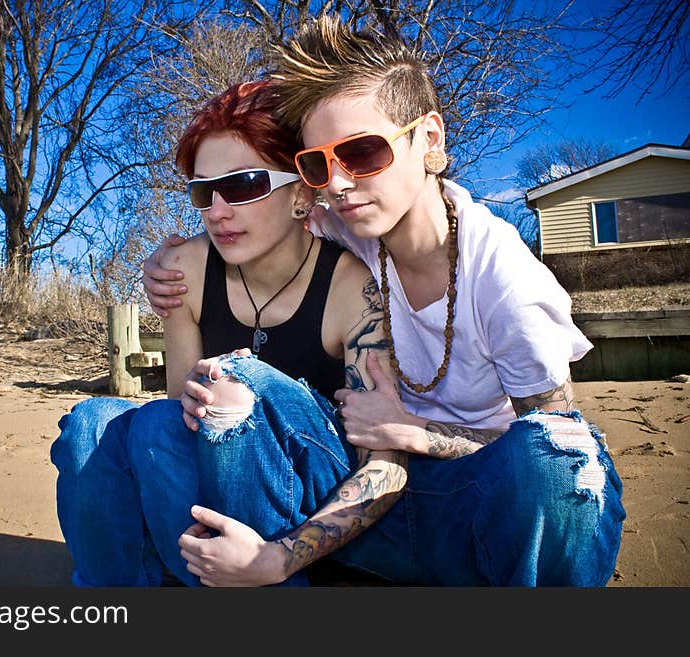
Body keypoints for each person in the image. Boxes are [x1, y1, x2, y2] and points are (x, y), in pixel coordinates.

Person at [142, 16, 626, 586]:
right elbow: (255, 217)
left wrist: (416, 431)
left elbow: (550, 447)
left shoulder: (509, 285)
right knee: (231, 387)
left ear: (431, 141)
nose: (339, 183)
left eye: (364, 153)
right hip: (373, 508)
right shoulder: (347, 227)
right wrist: (166, 262)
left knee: (558, 462)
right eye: (319, 162)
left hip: (476, 508)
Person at [50, 79, 407, 587]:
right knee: (91, 424)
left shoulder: (351, 287)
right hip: (211, 470)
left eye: (243, 185)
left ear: (302, 191)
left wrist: (283, 555)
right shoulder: (185, 269)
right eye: (203, 191)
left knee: (233, 384)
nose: (217, 211)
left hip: (309, 497)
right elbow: (175, 419)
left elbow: (381, 464)